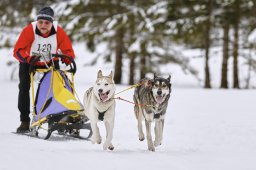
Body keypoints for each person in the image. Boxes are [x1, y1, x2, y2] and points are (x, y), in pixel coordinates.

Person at [13, 6, 75, 133]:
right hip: (29, 61)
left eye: (47, 23)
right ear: (37, 22)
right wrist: (27, 58)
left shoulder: (59, 32)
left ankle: (60, 117)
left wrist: (68, 58)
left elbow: (68, 50)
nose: (43, 25)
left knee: (59, 86)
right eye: (40, 22)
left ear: (52, 23)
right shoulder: (30, 30)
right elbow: (17, 51)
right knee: (24, 87)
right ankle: (24, 121)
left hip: (51, 61)